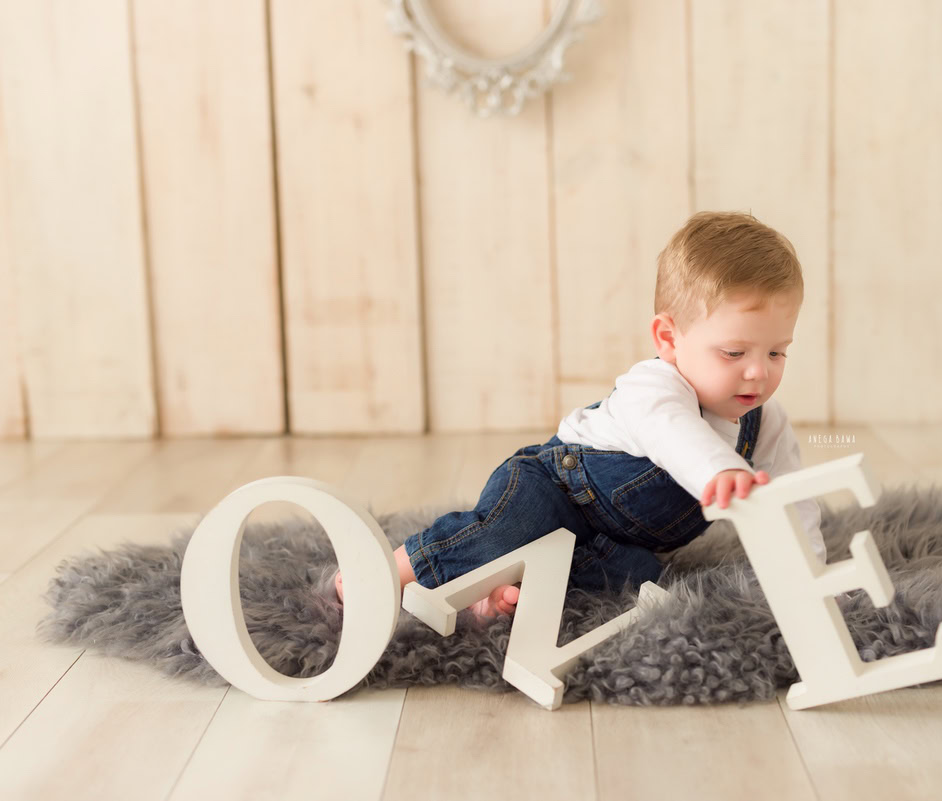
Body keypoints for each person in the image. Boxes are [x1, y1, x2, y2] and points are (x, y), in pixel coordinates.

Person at [335, 210, 824, 620]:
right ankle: (380, 573)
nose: (758, 374)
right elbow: (673, 435)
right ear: (669, 339)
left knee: (639, 576)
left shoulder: (767, 424)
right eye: (735, 353)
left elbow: (792, 502)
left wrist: (810, 576)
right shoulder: (652, 388)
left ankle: (506, 586)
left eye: (778, 353)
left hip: (616, 537)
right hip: (556, 488)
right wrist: (720, 470)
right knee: (503, 531)